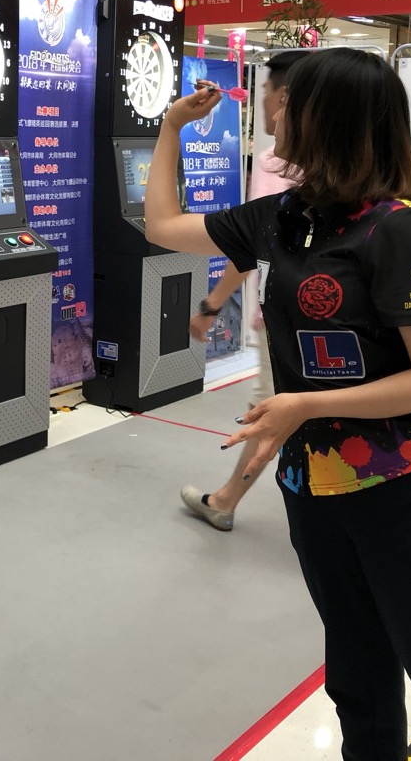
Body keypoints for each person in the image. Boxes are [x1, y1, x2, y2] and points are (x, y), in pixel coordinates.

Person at [146, 49, 411, 761]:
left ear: (332, 118)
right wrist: (171, 128)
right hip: (315, 491)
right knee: (358, 680)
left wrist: (304, 406)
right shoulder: (284, 217)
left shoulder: (397, 230)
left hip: (407, 490)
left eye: (291, 99)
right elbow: (163, 227)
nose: (276, 106)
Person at [181, 49, 313, 531]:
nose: (264, 109)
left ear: (285, 99)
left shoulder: (279, 165)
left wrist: (212, 304)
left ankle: (225, 500)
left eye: (266, 93)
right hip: (307, 318)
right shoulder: (348, 175)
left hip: (284, 319)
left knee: (270, 410)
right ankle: (226, 498)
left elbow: (254, 247)